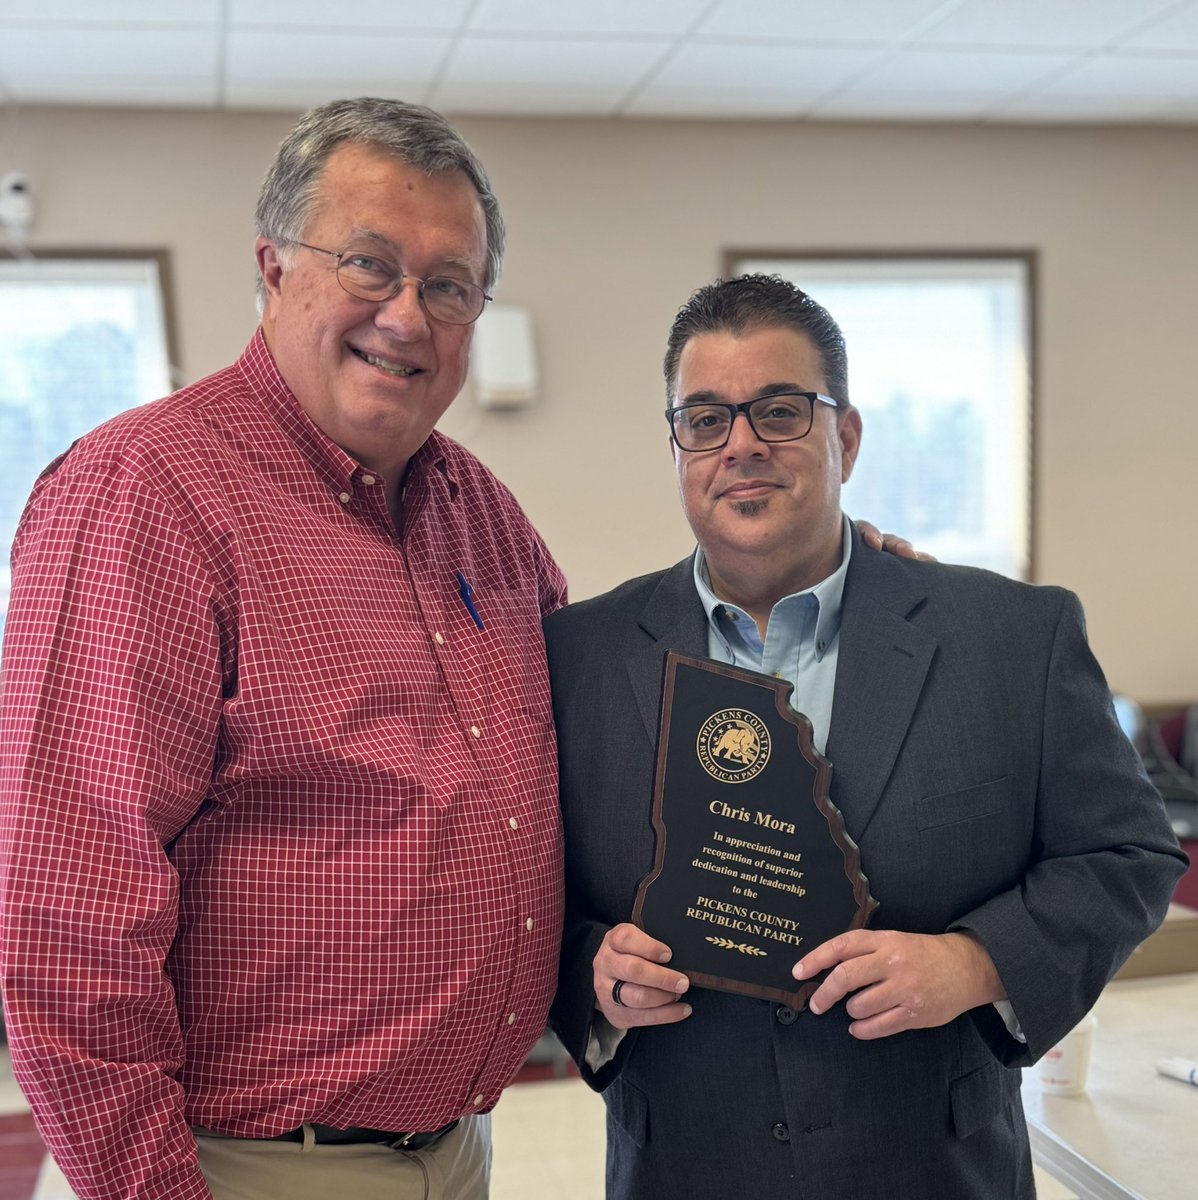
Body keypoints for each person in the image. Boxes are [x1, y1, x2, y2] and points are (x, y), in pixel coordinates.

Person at [0, 97, 566, 1200]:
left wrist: (836, 575)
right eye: (368, 264)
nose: (407, 316)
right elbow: (69, 923)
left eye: (449, 286)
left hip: (456, 1155)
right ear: (272, 269)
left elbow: (599, 736)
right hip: (235, 1170)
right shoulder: (143, 497)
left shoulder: (481, 512)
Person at [544, 274, 1187, 1200]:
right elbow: (523, 892)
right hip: (683, 1168)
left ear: (845, 436)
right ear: (677, 445)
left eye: (779, 411)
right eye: (706, 418)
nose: (742, 447)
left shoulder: (1010, 638)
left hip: (934, 1168)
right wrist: (591, 974)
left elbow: (1128, 854)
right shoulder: (579, 657)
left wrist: (976, 964)